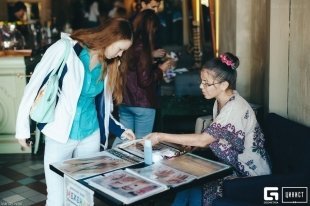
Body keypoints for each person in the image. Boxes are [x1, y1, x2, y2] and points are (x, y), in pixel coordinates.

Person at [15, 18, 135, 205]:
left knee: (82, 195)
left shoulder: (109, 64)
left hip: (90, 135)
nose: (120, 55)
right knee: (56, 196)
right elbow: (34, 84)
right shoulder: (65, 49)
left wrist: (119, 129)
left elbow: (101, 105)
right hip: (60, 134)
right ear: (109, 38)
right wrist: (22, 128)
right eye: (120, 49)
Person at [145, 52, 271, 206]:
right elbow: (211, 138)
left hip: (248, 177)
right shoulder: (220, 102)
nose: (201, 86)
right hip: (228, 168)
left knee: (194, 191)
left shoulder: (235, 108)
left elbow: (204, 139)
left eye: (206, 83)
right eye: (201, 81)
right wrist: (192, 146)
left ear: (224, 85)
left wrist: (160, 136)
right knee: (185, 185)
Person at [112, 10, 171, 147]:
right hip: (142, 104)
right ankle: (137, 168)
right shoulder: (143, 45)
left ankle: (114, 162)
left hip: (125, 100)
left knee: (124, 139)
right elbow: (145, 80)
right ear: (151, 27)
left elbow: (133, 64)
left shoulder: (127, 41)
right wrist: (161, 69)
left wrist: (151, 55)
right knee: (141, 144)